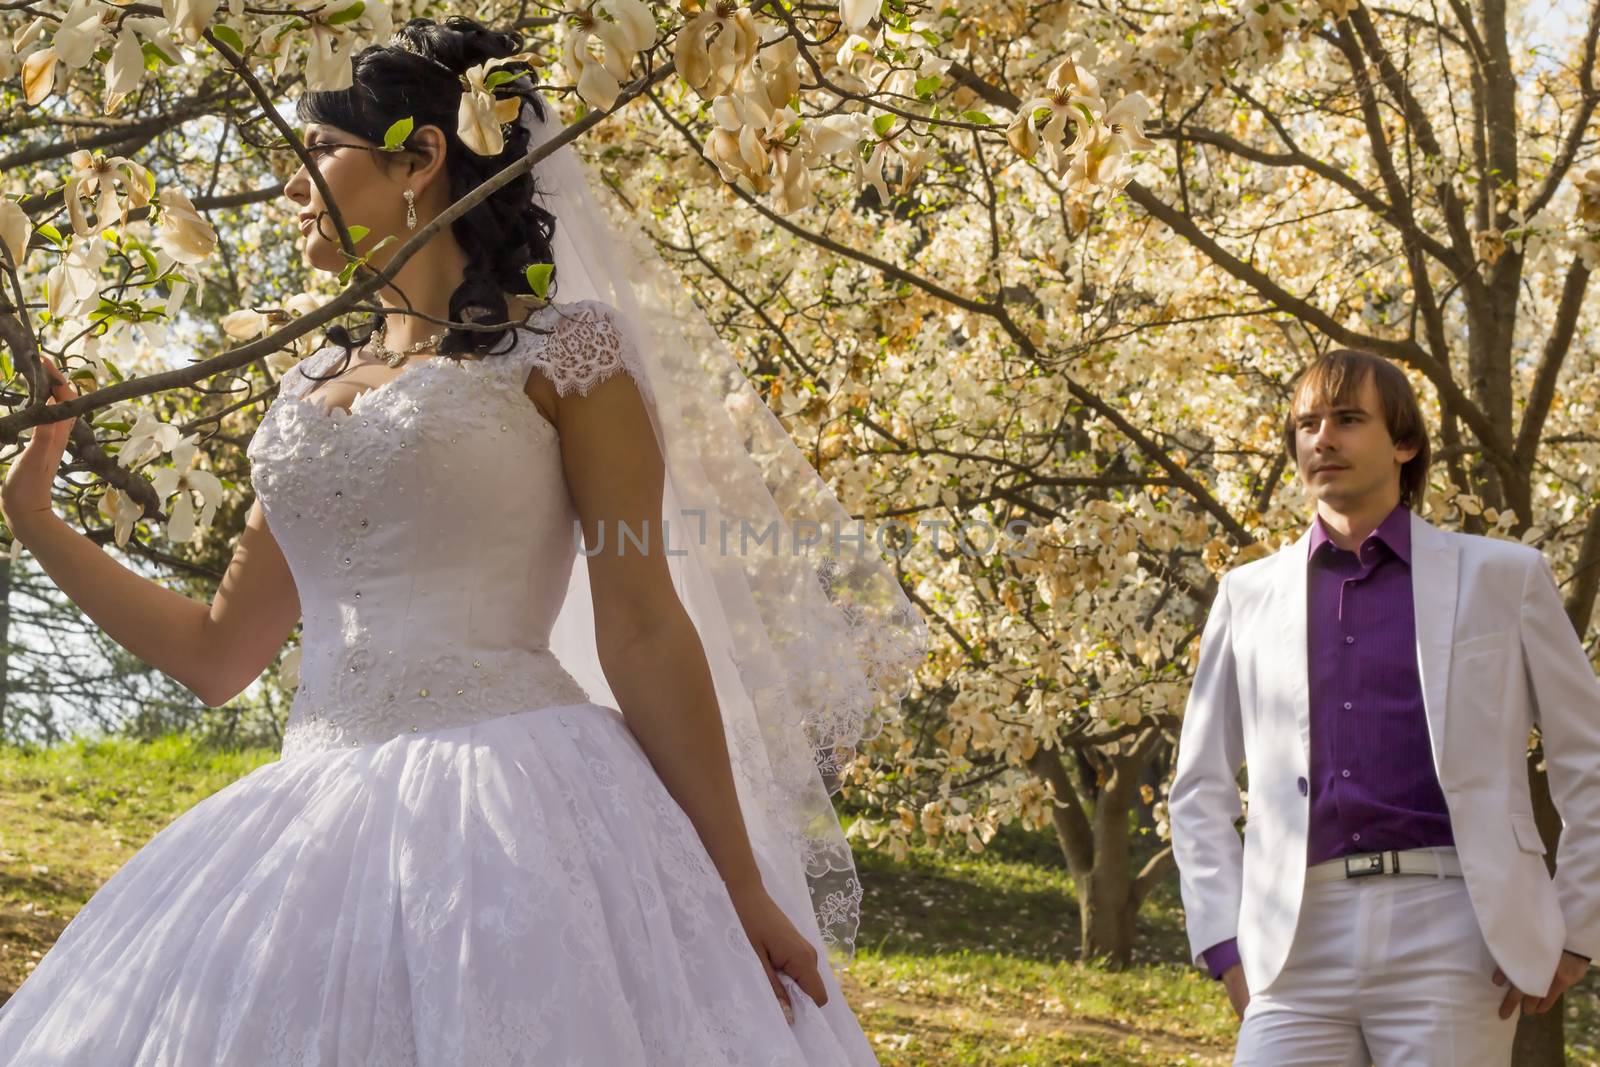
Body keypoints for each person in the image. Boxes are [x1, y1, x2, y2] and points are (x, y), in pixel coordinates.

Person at [0, 16, 926, 1065]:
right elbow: (218, 655)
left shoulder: (567, 355)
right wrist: (34, 515)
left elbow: (643, 627)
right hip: (313, 817)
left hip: (523, 808)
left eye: (319, 152)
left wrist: (739, 884)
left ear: (420, 159)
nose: (290, 186)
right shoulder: (303, 391)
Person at [1168, 349, 1600, 1066]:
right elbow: (1199, 786)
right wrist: (1223, 943)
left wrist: (1579, 928)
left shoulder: (1504, 577)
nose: (1321, 439)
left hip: (1456, 926)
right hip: (1292, 936)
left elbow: (1588, 759)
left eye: (1346, 419)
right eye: (1306, 424)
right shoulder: (1247, 595)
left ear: (1404, 442)